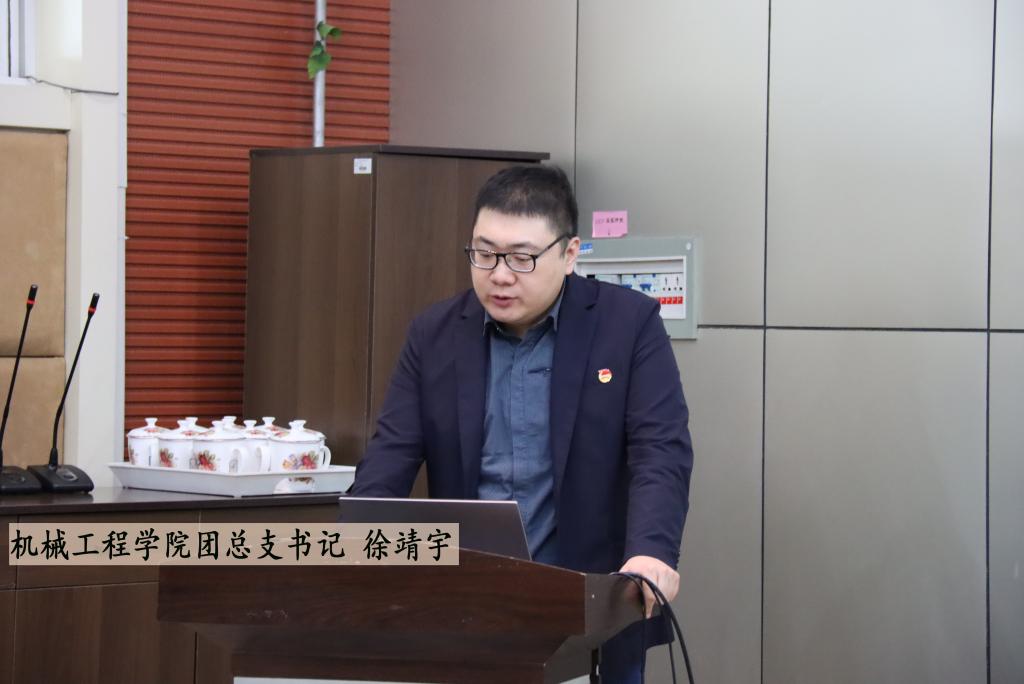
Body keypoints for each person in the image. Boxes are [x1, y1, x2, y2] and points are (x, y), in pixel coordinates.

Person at [349, 165, 694, 683]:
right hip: (468, 608)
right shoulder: (435, 334)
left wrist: (650, 553)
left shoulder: (628, 325)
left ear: (570, 254)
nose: (500, 275)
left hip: (593, 606)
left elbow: (659, 451)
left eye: (521, 258)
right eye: (484, 253)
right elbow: (391, 455)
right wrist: (353, 543)